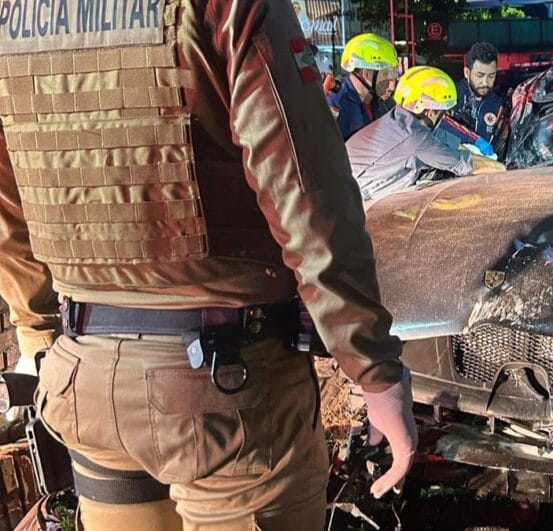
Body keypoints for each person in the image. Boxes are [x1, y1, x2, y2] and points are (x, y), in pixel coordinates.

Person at [0, 0, 416, 529]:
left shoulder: (13, 16)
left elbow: (7, 203)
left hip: (83, 375)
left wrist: (37, 330)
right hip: (227, 393)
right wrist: (372, 369)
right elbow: (306, 192)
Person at [347, 66, 506, 201]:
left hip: (347, 187)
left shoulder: (401, 118)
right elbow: (463, 163)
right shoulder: (415, 138)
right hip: (351, 202)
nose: (442, 117)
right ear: (430, 111)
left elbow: (445, 140)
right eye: (441, 112)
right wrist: (505, 171)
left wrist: (477, 150)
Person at [328, 33, 400, 139]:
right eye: (386, 75)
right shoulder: (337, 103)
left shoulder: (378, 104)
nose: (392, 86)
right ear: (366, 74)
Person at [455, 42, 504, 144]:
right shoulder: (453, 96)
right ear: (467, 72)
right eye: (480, 75)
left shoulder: (498, 105)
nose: (485, 82)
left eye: (491, 76)